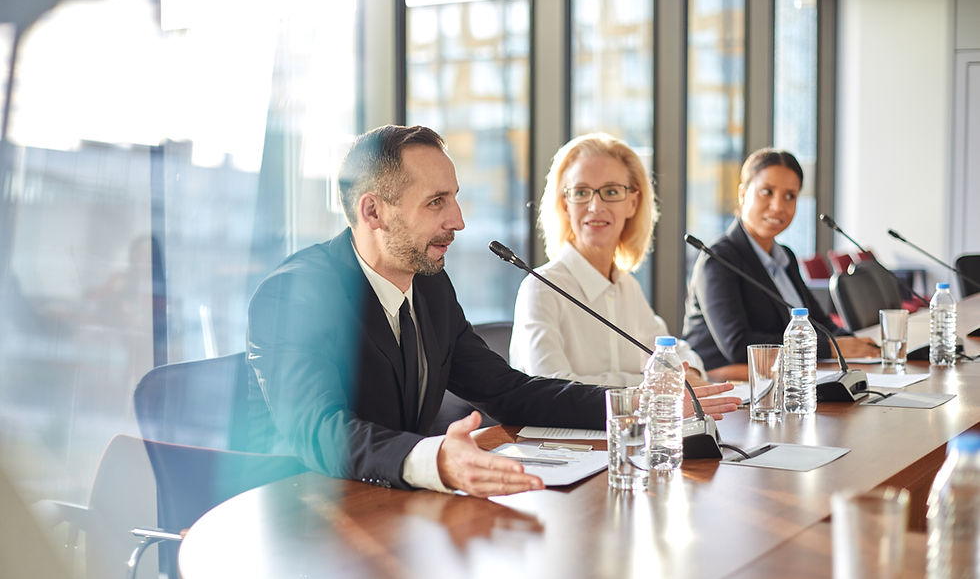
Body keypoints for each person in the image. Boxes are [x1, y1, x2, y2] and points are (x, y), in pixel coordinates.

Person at [247, 125, 740, 498]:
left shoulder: (430, 287)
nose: (458, 220)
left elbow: (511, 391)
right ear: (373, 211)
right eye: (436, 202)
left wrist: (636, 403)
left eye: (455, 198)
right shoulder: (295, 294)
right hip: (308, 519)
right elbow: (319, 430)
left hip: (395, 506)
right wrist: (433, 459)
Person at [510, 133, 707, 387]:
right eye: (581, 192)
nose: (595, 206)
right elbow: (552, 387)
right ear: (565, 205)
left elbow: (672, 350)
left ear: (633, 203)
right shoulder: (541, 289)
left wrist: (690, 372)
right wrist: (649, 383)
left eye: (611, 191)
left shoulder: (626, 287)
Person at [682, 148, 879, 371]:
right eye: (767, 192)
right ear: (743, 194)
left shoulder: (785, 257)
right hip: (727, 379)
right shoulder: (718, 259)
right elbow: (737, 346)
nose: (778, 206)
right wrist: (830, 348)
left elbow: (819, 323)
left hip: (786, 373)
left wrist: (861, 345)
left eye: (789, 196)